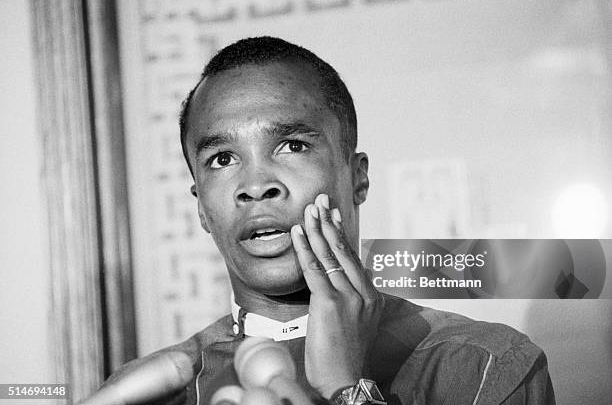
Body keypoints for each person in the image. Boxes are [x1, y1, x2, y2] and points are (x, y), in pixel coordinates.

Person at [104, 37, 555, 405]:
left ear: (358, 177)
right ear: (201, 206)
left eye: (293, 146)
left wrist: (345, 389)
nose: (256, 185)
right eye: (222, 159)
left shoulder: (485, 367)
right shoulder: (156, 390)